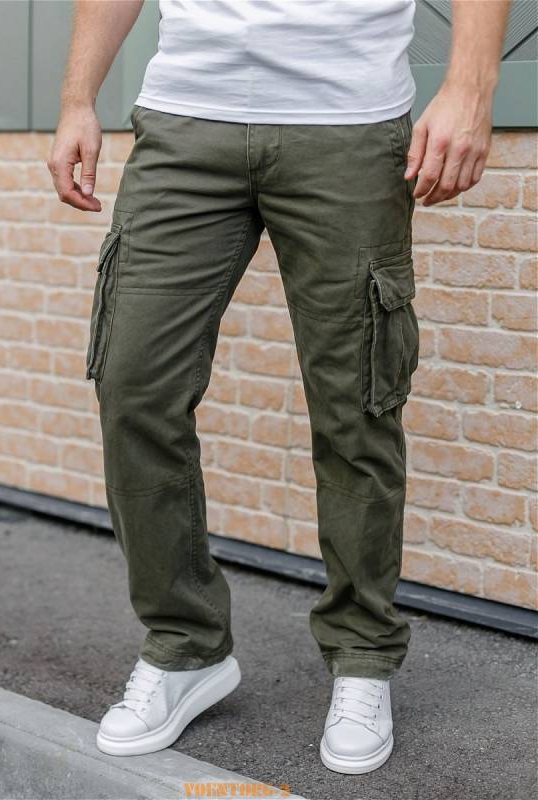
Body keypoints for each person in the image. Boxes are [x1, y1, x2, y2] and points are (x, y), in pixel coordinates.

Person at [49, 0, 510, 775]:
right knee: (133, 384)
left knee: (357, 403)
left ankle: (362, 654)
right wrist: (76, 99)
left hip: (348, 121)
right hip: (186, 120)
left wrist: (471, 85)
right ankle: (185, 644)